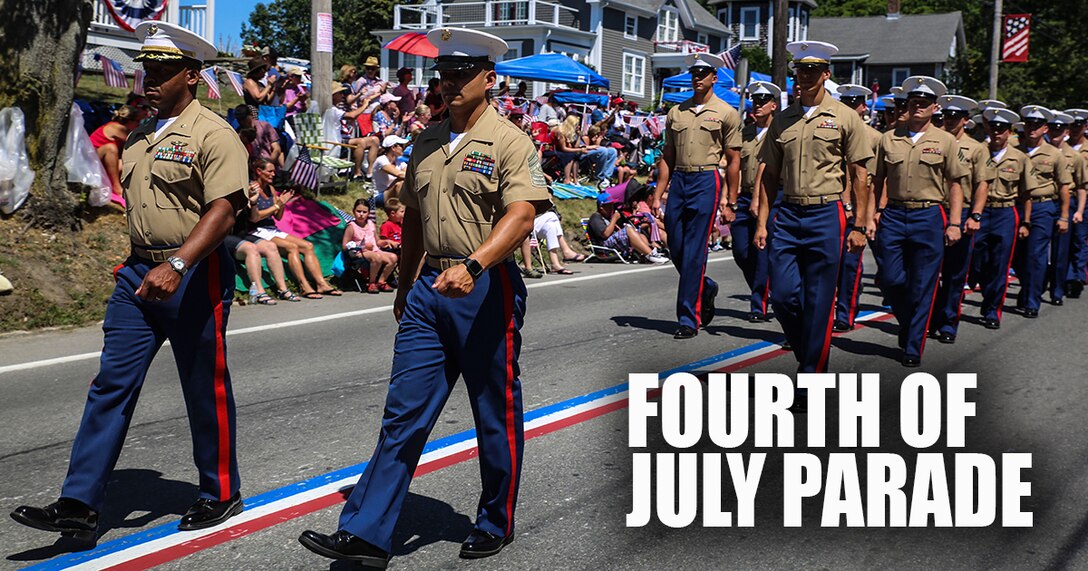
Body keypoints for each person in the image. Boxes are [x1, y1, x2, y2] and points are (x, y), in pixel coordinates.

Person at [298, 27, 553, 567]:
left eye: (463, 73)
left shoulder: (510, 140)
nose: (451, 82)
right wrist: (404, 281)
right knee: (403, 412)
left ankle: (494, 520)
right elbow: (413, 213)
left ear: (489, 78)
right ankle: (367, 533)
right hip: (428, 290)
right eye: (444, 74)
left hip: (483, 287)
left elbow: (524, 213)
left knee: (494, 411)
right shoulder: (428, 139)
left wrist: (475, 263)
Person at [10, 22, 248, 540]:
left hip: (193, 272)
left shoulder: (214, 132)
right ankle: (79, 502)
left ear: (191, 74)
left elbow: (225, 210)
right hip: (139, 272)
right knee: (110, 384)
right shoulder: (141, 133)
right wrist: (146, 261)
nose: (152, 79)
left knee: (202, 386)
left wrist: (178, 263)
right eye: (148, 69)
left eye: (164, 71)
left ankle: (221, 491)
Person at [755, 41, 873, 398]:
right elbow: (769, 175)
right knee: (784, 297)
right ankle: (810, 349)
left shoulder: (845, 117)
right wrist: (762, 222)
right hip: (788, 213)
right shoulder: (783, 120)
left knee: (820, 300)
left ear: (826, 75)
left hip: (827, 213)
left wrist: (859, 225)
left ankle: (810, 377)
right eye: (799, 71)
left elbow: (859, 175)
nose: (804, 77)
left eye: (812, 71)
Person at [872, 76, 967, 367]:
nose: (917, 107)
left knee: (923, 285)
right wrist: (874, 213)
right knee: (889, 279)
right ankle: (910, 321)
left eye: (924, 104)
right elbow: (878, 180)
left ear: (934, 108)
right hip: (894, 214)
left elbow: (955, 183)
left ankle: (913, 344)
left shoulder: (945, 141)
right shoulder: (889, 138)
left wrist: (954, 222)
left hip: (928, 215)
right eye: (913, 102)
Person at [651, 51, 741, 339]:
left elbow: (734, 158)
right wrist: (657, 194)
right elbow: (667, 155)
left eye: (703, 73)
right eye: (694, 73)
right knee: (675, 245)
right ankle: (706, 286)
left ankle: (688, 318)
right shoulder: (676, 112)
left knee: (694, 251)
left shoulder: (726, 112)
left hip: (706, 179)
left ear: (715, 77)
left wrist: (731, 199)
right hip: (679, 179)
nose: (698, 77)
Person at [929, 95, 994, 344]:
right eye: (946, 116)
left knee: (955, 273)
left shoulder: (976, 148)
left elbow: (982, 184)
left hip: (962, 212)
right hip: (934, 211)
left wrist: (975, 215)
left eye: (955, 117)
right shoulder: (934, 141)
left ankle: (948, 323)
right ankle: (929, 319)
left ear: (965, 120)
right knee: (929, 272)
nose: (950, 121)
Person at [970, 108, 1034, 329]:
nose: (997, 133)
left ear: (1009, 132)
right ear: (987, 128)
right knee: (975, 259)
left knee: (1000, 264)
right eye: (993, 128)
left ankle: (991, 310)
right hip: (979, 211)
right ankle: (976, 279)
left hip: (1005, 212)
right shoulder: (977, 152)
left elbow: (1026, 194)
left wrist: (1026, 222)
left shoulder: (1020, 158)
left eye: (1002, 129)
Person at [248, 158, 343, 299]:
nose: (273, 174)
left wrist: (282, 203)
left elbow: (278, 217)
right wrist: (276, 206)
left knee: (308, 246)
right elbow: (255, 217)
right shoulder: (251, 188)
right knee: (292, 247)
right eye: (270, 171)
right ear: (259, 172)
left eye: (274, 171)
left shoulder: (271, 188)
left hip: (271, 228)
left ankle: (321, 284)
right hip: (256, 231)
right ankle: (304, 286)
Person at [832, 84, 883, 332]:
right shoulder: (832, 129)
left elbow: (872, 179)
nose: (851, 108)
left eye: (855, 103)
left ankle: (845, 313)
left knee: (850, 266)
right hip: (831, 205)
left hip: (855, 207)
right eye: (846, 103)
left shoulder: (874, 138)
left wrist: (867, 214)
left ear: (863, 106)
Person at [1014, 105, 1072, 318]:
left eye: (1037, 125)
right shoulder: (1015, 150)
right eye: (1029, 124)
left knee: (1035, 255)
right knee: (1017, 258)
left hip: (1042, 206)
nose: (1032, 128)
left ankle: (1032, 301)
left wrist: (1064, 216)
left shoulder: (1054, 154)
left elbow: (1065, 186)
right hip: (1016, 206)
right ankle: (1030, 285)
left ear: (1045, 129)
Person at [732, 81, 779, 323]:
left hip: (769, 197)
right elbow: (736, 165)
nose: (758, 105)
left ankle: (758, 304)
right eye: (755, 101)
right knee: (740, 250)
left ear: (774, 105)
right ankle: (762, 289)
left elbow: (767, 167)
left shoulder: (779, 132)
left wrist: (759, 199)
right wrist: (729, 198)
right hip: (744, 196)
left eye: (763, 102)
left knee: (761, 251)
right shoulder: (746, 132)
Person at [1046, 112, 1086, 305]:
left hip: (1068, 203)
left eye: (1060, 129)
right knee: (1036, 250)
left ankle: (1066, 283)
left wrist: (1078, 210)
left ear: (1066, 132)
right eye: (1052, 128)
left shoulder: (1075, 156)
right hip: (1042, 203)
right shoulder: (1036, 152)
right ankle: (1035, 286)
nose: (1056, 132)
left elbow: (1080, 185)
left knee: (1069, 246)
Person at [589, 192, 668, 263]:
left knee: (640, 234)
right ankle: (650, 255)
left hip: (613, 243)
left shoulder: (607, 217)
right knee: (628, 230)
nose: (611, 208)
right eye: (609, 206)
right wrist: (614, 219)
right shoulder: (595, 217)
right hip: (603, 247)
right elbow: (605, 234)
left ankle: (646, 253)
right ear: (601, 207)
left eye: (612, 205)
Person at [342, 199, 398, 293]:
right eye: (358, 211)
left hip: (375, 251)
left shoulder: (371, 224)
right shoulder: (351, 226)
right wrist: (361, 247)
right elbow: (344, 246)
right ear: (353, 211)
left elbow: (377, 241)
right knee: (377, 257)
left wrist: (386, 241)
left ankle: (381, 281)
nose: (361, 214)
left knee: (393, 257)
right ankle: (371, 283)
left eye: (364, 212)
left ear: (368, 213)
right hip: (359, 252)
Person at [328, 83, 382, 181]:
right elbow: (352, 115)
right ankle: (357, 173)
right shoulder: (331, 109)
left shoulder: (336, 108)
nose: (342, 95)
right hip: (337, 140)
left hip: (344, 138)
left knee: (375, 140)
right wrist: (365, 105)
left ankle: (370, 173)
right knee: (360, 142)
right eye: (340, 93)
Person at [89, 104, 141, 198]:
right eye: (137, 121)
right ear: (129, 121)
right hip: (90, 163)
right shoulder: (117, 128)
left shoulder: (117, 127)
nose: (139, 124)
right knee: (110, 148)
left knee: (132, 161)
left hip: (100, 163)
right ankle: (116, 187)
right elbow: (139, 142)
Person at [1063, 108, 1088, 297]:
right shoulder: (1061, 148)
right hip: (1067, 197)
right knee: (1065, 239)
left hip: (1085, 197)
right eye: (1072, 126)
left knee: (1080, 239)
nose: (1074, 129)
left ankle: (1077, 277)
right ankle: (1067, 275)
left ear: (1085, 127)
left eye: (1078, 125)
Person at [371, 135, 409, 208]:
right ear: (393, 148)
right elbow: (400, 174)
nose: (403, 148)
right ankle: (401, 208)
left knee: (403, 182)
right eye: (401, 146)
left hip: (391, 193)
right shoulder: (381, 160)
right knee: (400, 183)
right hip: (380, 196)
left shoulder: (399, 162)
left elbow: (407, 173)